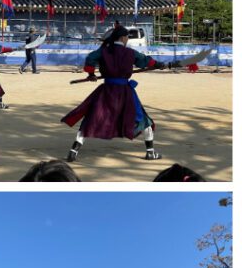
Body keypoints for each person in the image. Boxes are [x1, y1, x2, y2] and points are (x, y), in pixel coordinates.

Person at [62, 24, 175, 164]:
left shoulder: (104, 51)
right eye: (127, 37)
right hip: (124, 93)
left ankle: (73, 152)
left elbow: (90, 59)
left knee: (91, 119)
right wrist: (159, 64)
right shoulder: (130, 53)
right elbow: (147, 61)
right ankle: (150, 152)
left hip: (107, 90)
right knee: (143, 120)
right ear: (122, 38)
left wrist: (91, 74)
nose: (128, 39)